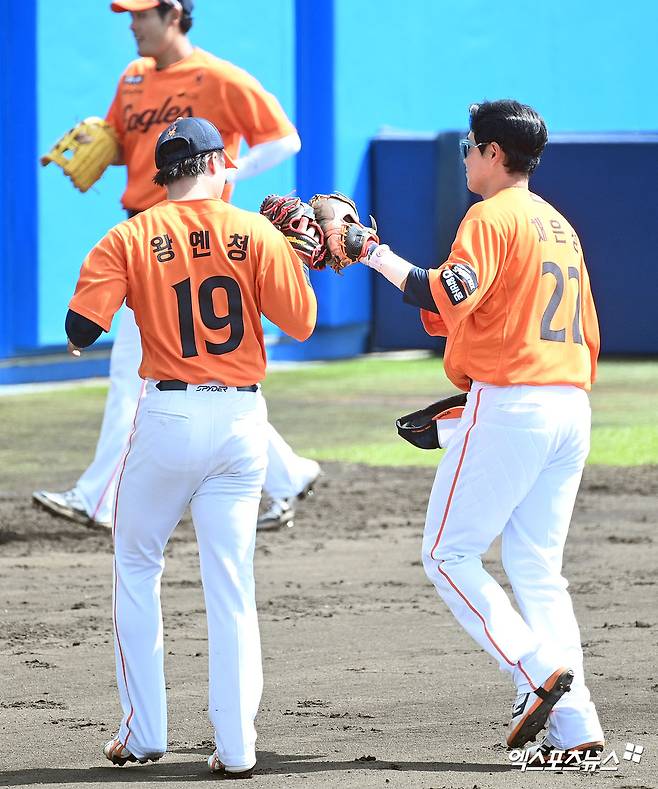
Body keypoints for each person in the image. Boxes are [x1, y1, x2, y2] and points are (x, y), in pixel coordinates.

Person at [66, 116, 316, 775]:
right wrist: (290, 259)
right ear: (213, 164)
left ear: (164, 175)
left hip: (168, 417)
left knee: (136, 563)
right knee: (231, 581)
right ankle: (236, 747)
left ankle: (144, 733)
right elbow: (302, 323)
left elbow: (81, 328)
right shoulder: (256, 232)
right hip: (241, 423)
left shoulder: (130, 234)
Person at [361, 100, 604, 759]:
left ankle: (534, 671)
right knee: (537, 568)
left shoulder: (491, 216)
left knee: (448, 553)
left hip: (516, 406)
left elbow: (440, 291)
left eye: (471, 145)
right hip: (569, 408)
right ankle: (577, 725)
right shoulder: (559, 226)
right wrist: (465, 415)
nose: (466, 155)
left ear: (495, 152)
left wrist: (370, 252)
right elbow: (493, 316)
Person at [33, 0, 320, 531]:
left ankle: (98, 499)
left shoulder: (218, 77)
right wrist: (104, 146)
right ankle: (288, 473)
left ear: (173, 15)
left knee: (136, 375)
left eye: (141, 15)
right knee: (197, 376)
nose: (132, 25)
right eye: (129, 16)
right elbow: (129, 145)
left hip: (192, 237)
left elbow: (286, 138)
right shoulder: (133, 78)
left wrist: (228, 176)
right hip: (149, 232)